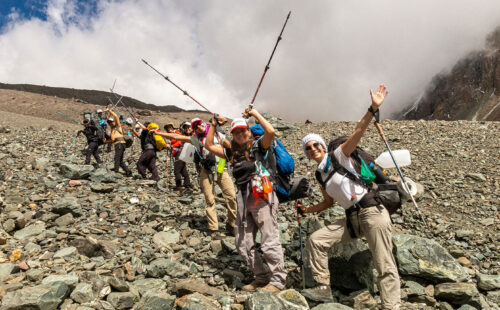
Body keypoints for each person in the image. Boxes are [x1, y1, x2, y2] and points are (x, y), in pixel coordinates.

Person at [297, 84, 401, 309]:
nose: (313, 149)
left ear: (324, 147)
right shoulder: (320, 174)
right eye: (308, 148)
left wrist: (372, 109)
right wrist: (306, 211)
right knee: (316, 240)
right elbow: (328, 203)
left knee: (384, 263)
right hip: (352, 219)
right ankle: (323, 288)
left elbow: (358, 132)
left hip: (372, 211)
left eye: (316, 144)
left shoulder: (339, 155)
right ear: (306, 153)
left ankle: (391, 306)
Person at [204, 108, 286, 295]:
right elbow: (209, 145)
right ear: (232, 134)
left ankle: (278, 280)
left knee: (268, 237)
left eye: (244, 130)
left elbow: (271, 132)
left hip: (261, 193)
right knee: (242, 240)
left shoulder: (259, 146)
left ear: (249, 131)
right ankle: (261, 277)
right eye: (237, 131)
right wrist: (213, 125)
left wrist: (255, 114)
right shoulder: (230, 153)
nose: (241, 133)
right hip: (242, 195)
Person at [154, 117, 237, 240]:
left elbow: (231, 147)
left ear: (203, 123)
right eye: (195, 126)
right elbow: (177, 137)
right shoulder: (195, 139)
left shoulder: (218, 134)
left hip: (221, 169)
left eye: (199, 124)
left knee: (231, 197)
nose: (198, 126)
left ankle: (232, 224)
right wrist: (159, 133)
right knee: (209, 199)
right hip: (206, 171)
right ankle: (214, 229)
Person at [105, 107, 132, 176]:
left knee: (117, 158)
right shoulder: (112, 129)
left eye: (111, 122)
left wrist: (110, 111)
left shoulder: (118, 126)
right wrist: (106, 142)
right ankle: (128, 171)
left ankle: (116, 172)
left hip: (120, 144)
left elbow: (116, 117)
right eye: (109, 122)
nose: (110, 123)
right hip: (118, 144)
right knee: (120, 160)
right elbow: (112, 140)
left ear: (114, 122)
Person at [169, 122, 192, 192]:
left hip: (180, 154)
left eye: (188, 127)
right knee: (183, 170)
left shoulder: (183, 135)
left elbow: (180, 144)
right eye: (185, 128)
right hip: (184, 154)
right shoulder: (184, 134)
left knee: (177, 170)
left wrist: (174, 148)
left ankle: (179, 186)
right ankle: (187, 185)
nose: (187, 129)